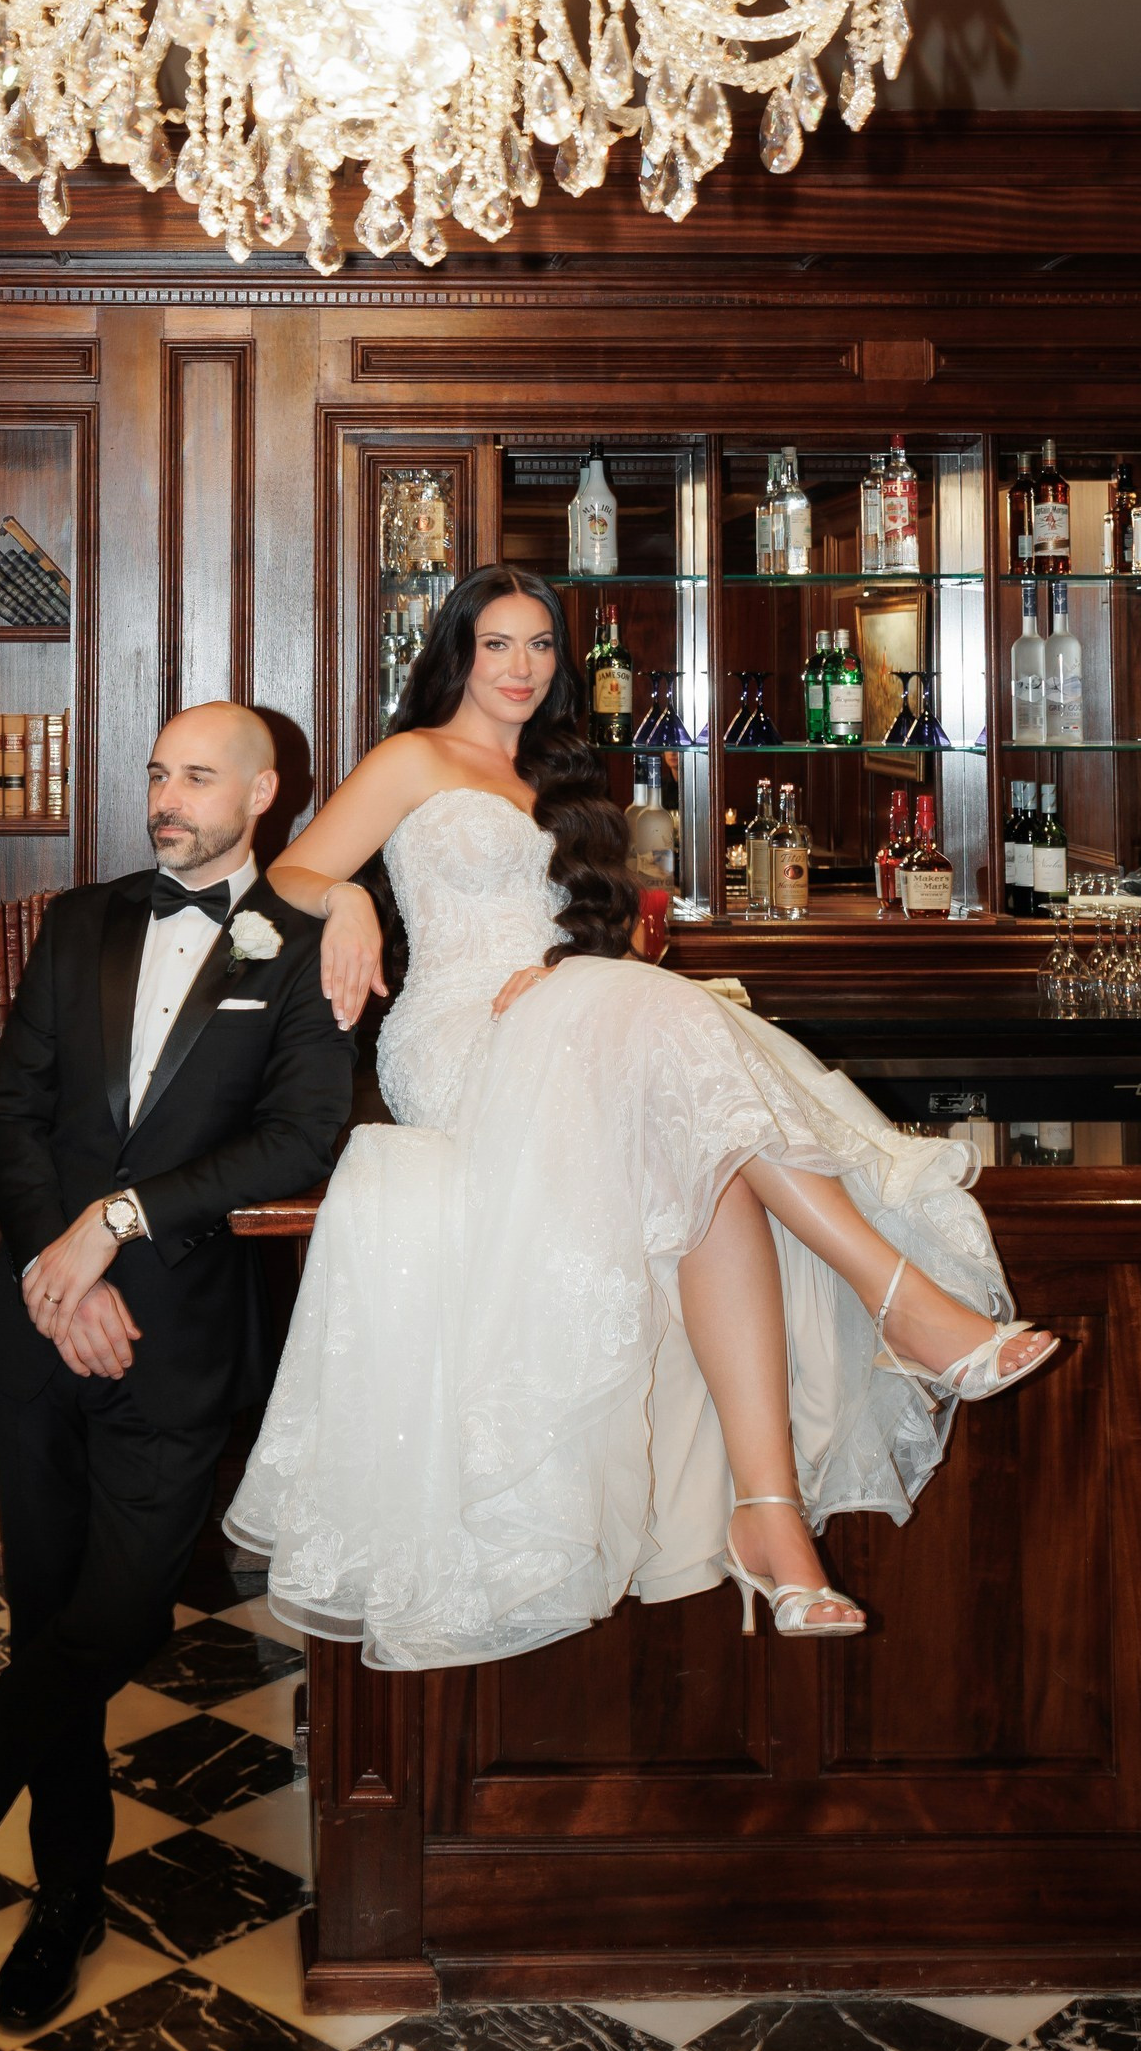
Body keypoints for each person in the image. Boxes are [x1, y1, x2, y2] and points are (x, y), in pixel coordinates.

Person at [227, 567, 1059, 1672]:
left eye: (539, 646)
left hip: (572, 1024)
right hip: (458, 1041)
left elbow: (599, 941)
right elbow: (283, 876)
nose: (520, 668)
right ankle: (899, 1301)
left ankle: (769, 1515)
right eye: (496, 644)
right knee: (670, 1052)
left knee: (707, 1171)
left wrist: (571, 970)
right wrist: (346, 898)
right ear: (457, 653)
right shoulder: (413, 758)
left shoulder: (564, 778)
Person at [0, 702, 355, 2030]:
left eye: (197, 776)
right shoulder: (78, 920)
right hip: (43, 1321)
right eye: (158, 773)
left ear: (262, 793)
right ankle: (65, 1899)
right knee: (50, 1620)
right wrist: (63, 1268)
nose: (166, 797)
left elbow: (302, 1136)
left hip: (181, 1336)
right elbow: (10, 1110)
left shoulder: (305, 945)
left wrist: (121, 1222)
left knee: (122, 1609)